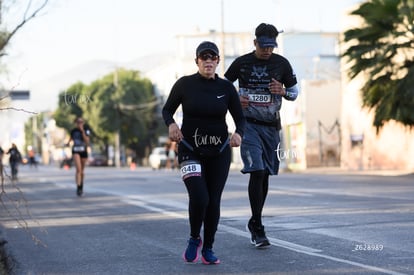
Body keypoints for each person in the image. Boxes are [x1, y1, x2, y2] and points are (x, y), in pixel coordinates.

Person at [162, 41, 245, 265]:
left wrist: (238, 134)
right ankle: (193, 238)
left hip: (219, 151)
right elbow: (168, 109)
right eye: (203, 57)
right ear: (197, 61)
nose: (208, 61)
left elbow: (240, 118)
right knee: (200, 197)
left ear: (218, 61)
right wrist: (171, 125)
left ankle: (208, 247)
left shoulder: (227, 88)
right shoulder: (184, 84)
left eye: (212, 57)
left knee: (213, 201)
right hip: (190, 149)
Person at [224, 23, 299, 248]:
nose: (267, 51)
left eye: (271, 47)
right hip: (248, 126)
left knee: (264, 174)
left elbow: (295, 92)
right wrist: (235, 97)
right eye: (263, 46)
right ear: (255, 42)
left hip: (271, 127)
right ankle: (257, 225)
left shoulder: (281, 63)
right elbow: (222, 88)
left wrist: (284, 91)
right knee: (256, 170)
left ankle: (255, 219)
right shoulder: (241, 63)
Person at [66, 117, 90, 196]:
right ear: (76, 123)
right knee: (78, 170)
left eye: (81, 122)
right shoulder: (73, 131)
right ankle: (78, 187)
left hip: (83, 151)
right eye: (78, 122)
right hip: (76, 150)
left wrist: (82, 131)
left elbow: (87, 141)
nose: (79, 123)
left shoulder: (86, 130)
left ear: (83, 122)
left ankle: (81, 187)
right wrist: (67, 143)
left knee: (82, 171)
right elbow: (70, 140)